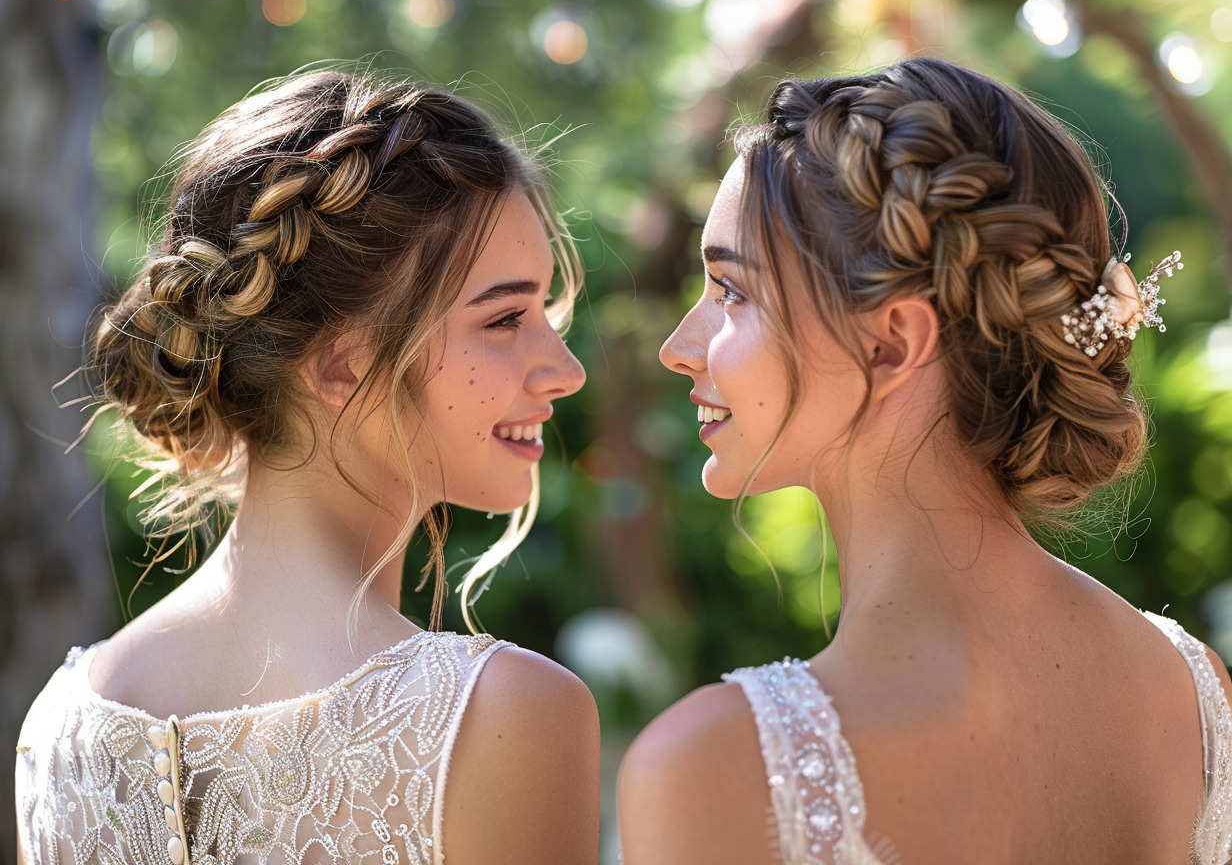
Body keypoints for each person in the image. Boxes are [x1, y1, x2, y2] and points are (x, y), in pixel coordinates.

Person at [620, 57, 1232, 865]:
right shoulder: (1194, 697)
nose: (677, 348)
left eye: (731, 291)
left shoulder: (721, 769)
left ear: (893, 341)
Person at [15, 69, 599, 865]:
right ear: (340, 365)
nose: (565, 369)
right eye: (505, 317)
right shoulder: (498, 715)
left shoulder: (58, 726)